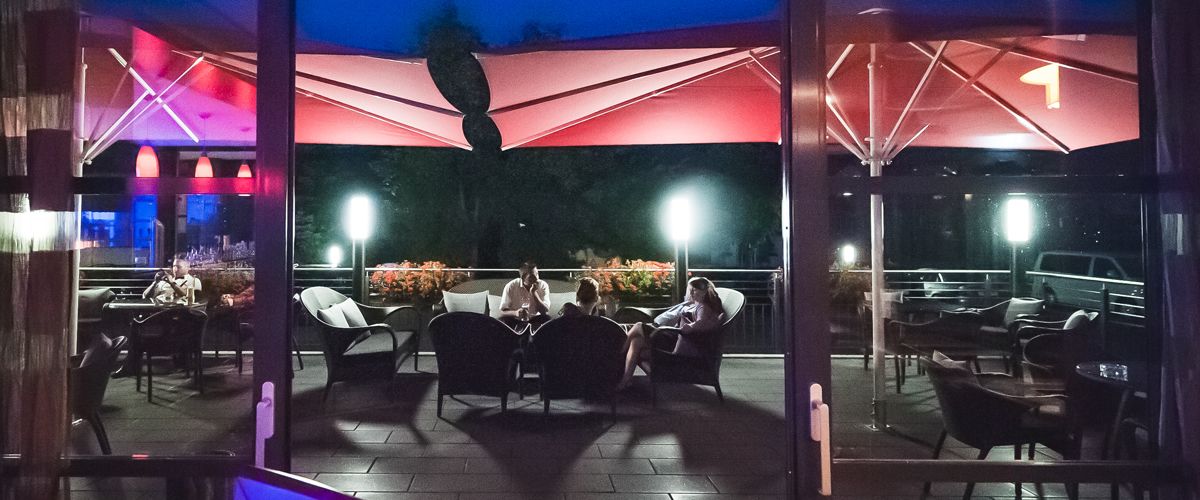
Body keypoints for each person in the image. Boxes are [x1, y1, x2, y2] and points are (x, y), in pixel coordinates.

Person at [618, 277, 723, 390]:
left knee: (638, 326)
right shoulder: (695, 305)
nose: (692, 293)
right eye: (690, 290)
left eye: (695, 290)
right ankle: (626, 380)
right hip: (672, 337)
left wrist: (690, 327)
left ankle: (620, 352)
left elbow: (702, 322)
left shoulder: (702, 307)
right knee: (636, 341)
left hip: (672, 339)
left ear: (704, 292)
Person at [500, 261, 551, 328]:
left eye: (537, 274)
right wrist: (515, 313)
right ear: (523, 278)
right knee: (503, 320)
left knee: (547, 318)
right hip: (516, 320)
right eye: (532, 276)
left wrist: (534, 293)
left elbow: (544, 311)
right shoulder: (511, 286)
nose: (536, 278)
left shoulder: (543, 285)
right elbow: (502, 312)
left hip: (535, 319)